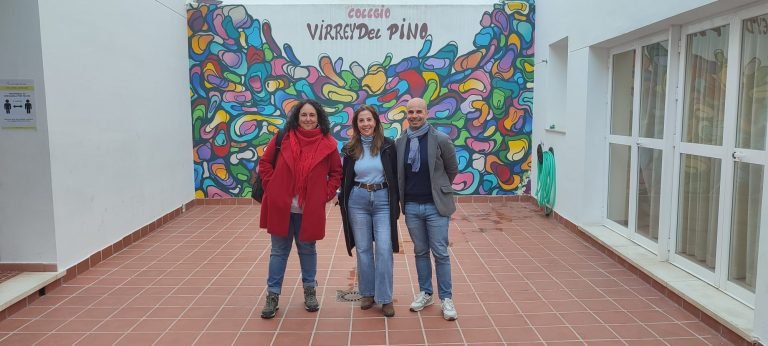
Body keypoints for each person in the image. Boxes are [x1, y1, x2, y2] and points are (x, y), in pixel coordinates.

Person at [258, 99, 342, 319]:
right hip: (281, 207)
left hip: (308, 210)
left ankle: (309, 291)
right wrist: (272, 186)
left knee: (307, 250)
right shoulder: (282, 138)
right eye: (304, 115)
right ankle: (272, 296)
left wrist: (324, 194)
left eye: (312, 115)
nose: (308, 119)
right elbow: (265, 164)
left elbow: (336, 173)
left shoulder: (328, 143)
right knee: (278, 252)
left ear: (319, 118)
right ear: (297, 117)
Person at [396, 97, 459, 321]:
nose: (414, 116)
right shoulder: (400, 142)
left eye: (418, 112)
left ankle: (446, 298)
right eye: (410, 112)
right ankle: (426, 293)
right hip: (412, 206)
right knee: (420, 251)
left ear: (427, 113)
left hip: (435, 206)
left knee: (440, 252)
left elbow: (452, 169)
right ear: (406, 115)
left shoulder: (440, 139)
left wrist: (439, 189)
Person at [339, 105, 400, 317]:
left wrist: (398, 202)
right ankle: (367, 293)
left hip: (383, 200)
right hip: (358, 200)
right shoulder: (350, 149)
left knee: (384, 248)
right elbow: (344, 176)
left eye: (369, 120)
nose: (365, 124)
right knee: (363, 248)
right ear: (356, 124)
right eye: (361, 120)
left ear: (376, 122)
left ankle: (385, 297)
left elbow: (395, 176)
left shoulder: (388, 145)